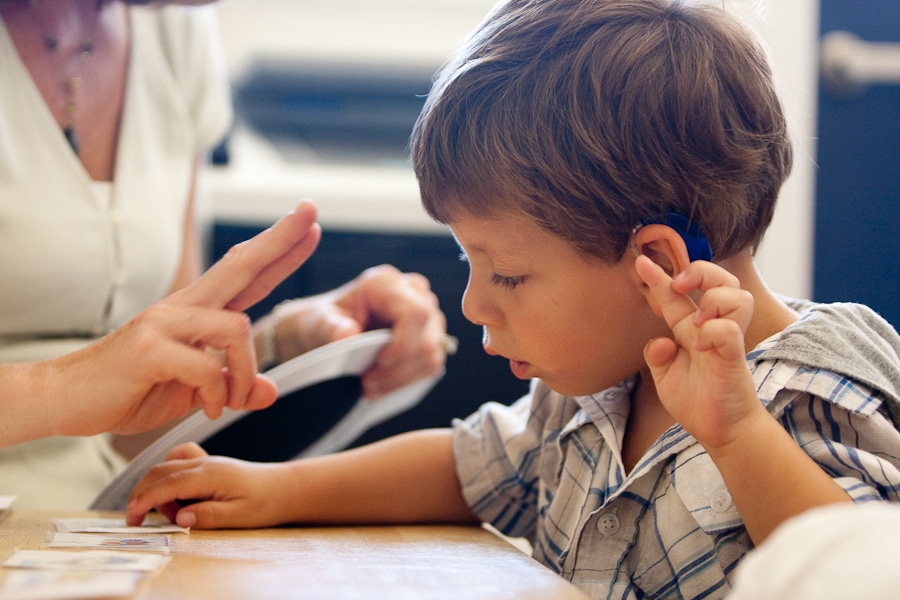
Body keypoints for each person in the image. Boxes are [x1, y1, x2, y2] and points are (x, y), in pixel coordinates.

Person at [125, 0, 900, 597]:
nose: (473, 305)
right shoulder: (598, 382)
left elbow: (857, 569)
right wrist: (277, 489)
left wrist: (738, 436)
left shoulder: (813, 386)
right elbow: (468, 466)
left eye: (508, 275)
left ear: (657, 264)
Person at [0, 0, 448, 509]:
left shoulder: (176, 27)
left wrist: (288, 345)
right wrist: (60, 387)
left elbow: (132, 419)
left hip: (88, 527)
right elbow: (91, 389)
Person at [2, 201, 316, 449]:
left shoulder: (177, 118)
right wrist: (56, 389)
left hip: (93, 497)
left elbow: (140, 412)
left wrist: (280, 338)